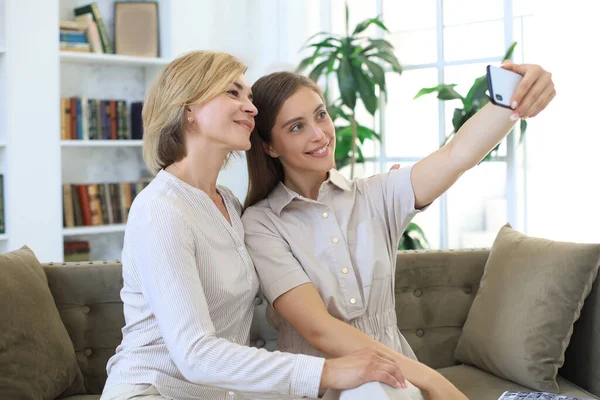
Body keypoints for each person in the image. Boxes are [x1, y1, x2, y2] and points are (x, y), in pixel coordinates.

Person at [100, 50, 410, 400]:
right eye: (233, 93)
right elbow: (195, 354)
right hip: (154, 392)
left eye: (249, 97)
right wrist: (327, 371)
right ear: (188, 109)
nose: (251, 107)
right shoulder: (161, 209)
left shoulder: (230, 204)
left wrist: (377, 201)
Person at [242, 64, 555, 400]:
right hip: (318, 385)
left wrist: (513, 98)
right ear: (269, 147)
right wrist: (437, 382)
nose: (319, 134)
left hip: (395, 383)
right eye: (296, 127)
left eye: (320, 115)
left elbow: (456, 156)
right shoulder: (262, 223)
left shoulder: (377, 195)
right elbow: (321, 330)